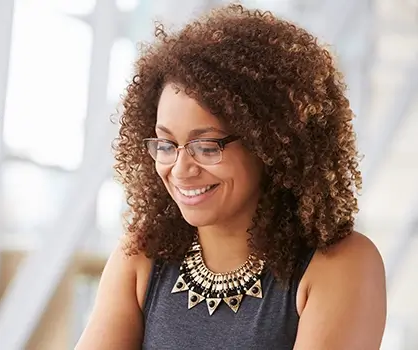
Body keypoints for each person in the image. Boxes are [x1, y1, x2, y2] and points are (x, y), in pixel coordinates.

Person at [76, 4, 386, 350]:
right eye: (166, 144)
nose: (180, 169)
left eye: (207, 147)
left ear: (271, 144)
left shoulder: (341, 265)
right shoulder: (141, 256)